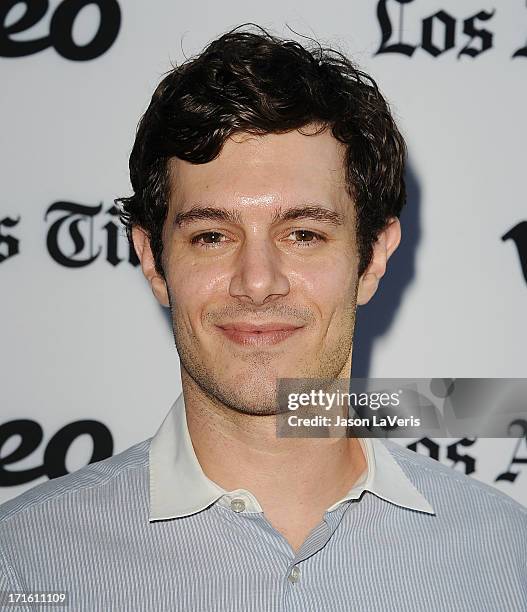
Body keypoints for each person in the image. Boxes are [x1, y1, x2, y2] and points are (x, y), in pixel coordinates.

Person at [1, 25, 525, 612]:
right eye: (211, 235)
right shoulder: (23, 561)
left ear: (373, 256)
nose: (256, 280)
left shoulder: (505, 556)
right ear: (153, 259)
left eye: (303, 234)